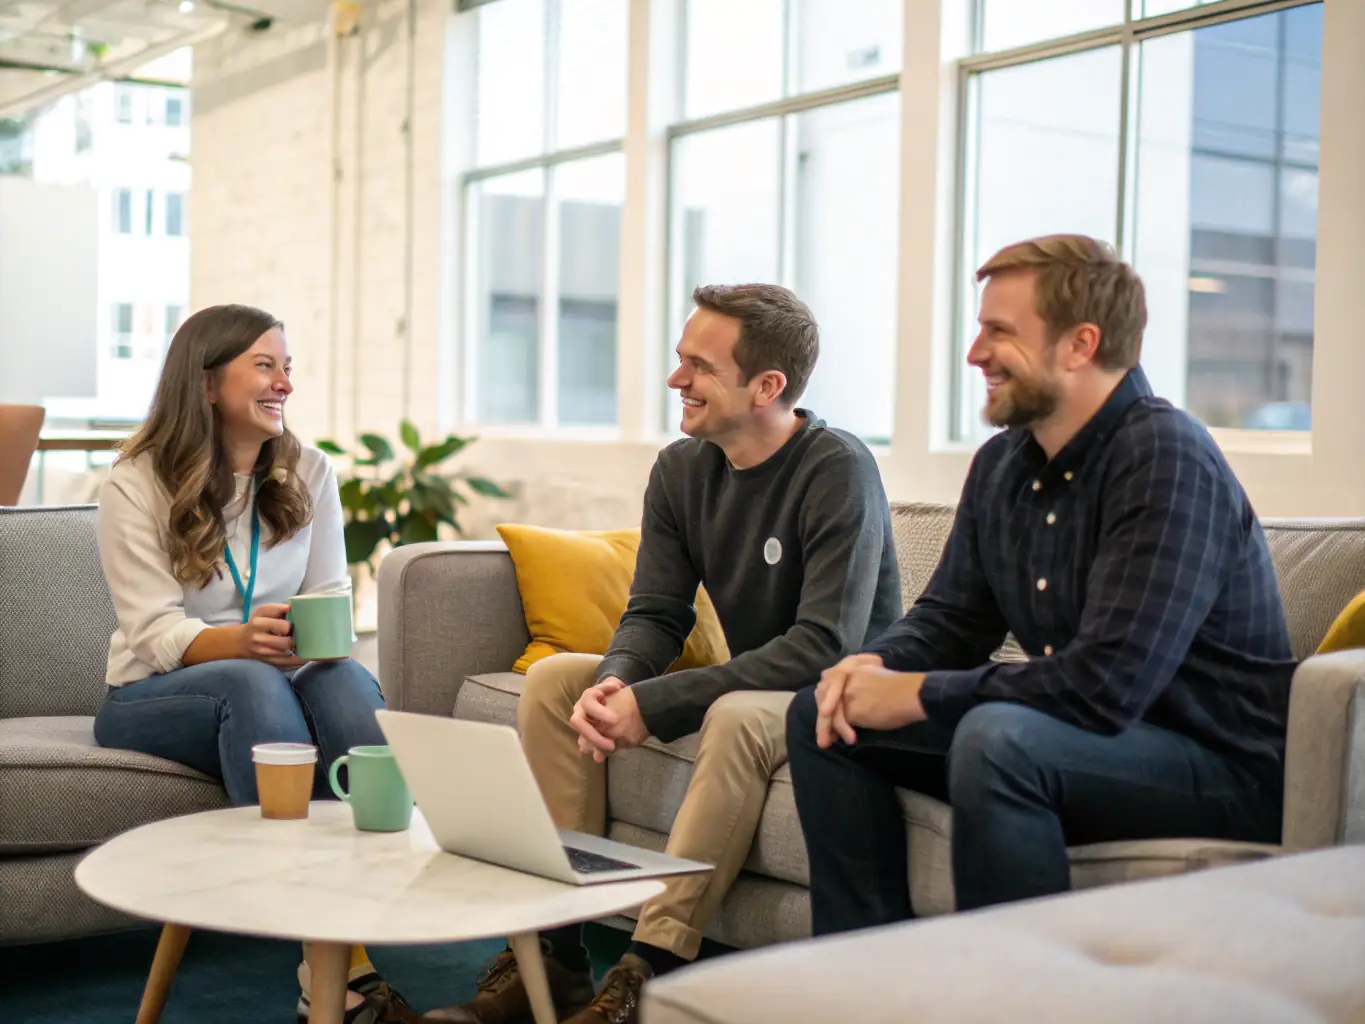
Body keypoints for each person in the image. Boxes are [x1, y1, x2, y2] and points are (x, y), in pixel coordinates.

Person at [787, 233, 1295, 935]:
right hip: (1081, 741)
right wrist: (872, 667)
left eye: (998, 332)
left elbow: (1104, 686)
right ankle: (865, 979)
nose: (974, 354)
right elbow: (950, 620)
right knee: (824, 714)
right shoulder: (1002, 464)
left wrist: (916, 693)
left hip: (1215, 767)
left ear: (1079, 344)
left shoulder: (1166, 457)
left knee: (1000, 740)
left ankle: (1017, 994)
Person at [424, 284, 901, 1024]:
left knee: (737, 717)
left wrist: (659, 703)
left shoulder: (835, 468)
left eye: (699, 366)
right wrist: (616, 682)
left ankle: (649, 973)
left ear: (766, 386)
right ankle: (552, 962)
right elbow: (656, 612)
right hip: (758, 679)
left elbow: (822, 646)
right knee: (556, 681)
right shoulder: (682, 469)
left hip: (835, 693)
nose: (676, 380)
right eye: (680, 360)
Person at [93, 303, 418, 1024]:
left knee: (342, 679)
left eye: (288, 367)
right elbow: (153, 632)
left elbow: (328, 592)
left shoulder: (308, 469)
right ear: (207, 384)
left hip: (272, 679)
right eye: (265, 366)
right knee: (249, 679)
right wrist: (245, 642)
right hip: (154, 694)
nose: (284, 384)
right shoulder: (135, 482)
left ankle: (392, 897)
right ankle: (340, 961)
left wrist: (310, 639)